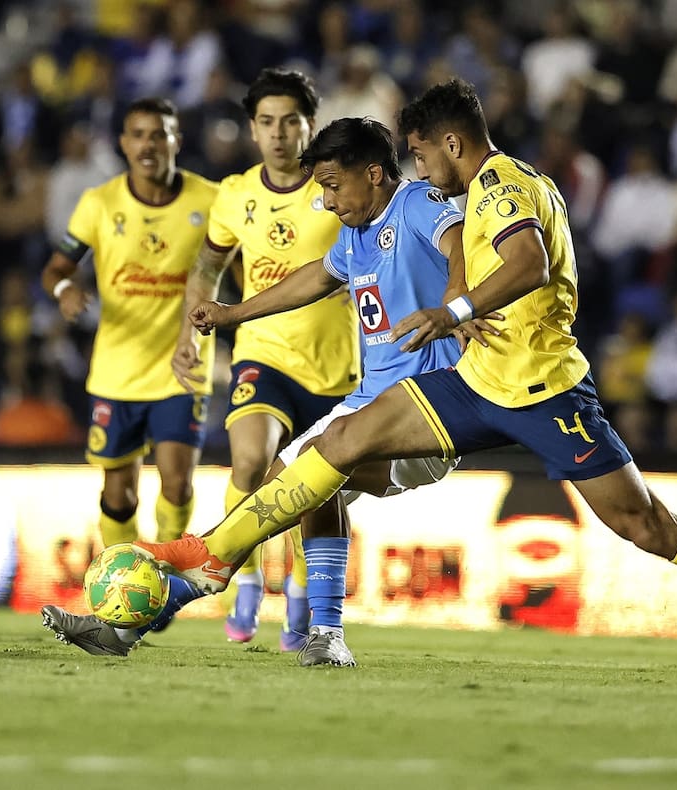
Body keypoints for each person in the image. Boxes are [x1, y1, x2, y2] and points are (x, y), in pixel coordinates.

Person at [128, 78, 677, 684]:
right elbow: (449, 257)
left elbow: (528, 261)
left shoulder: (498, 184)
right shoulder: (485, 189)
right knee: (344, 437)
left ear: (450, 143)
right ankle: (216, 556)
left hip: (543, 390)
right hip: (475, 381)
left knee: (646, 526)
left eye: (418, 153)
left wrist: (457, 308)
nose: (417, 167)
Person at [41, 116, 495, 663]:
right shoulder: (355, 236)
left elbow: (461, 243)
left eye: (332, 185)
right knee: (295, 488)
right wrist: (234, 312)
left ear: (374, 173)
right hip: (368, 405)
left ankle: (213, 572)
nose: (325, 202)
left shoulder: (417, 203)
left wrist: (457, 303)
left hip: (425, 408)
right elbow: (312, 278)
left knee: (298, 476)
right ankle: (284, 628)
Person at [171, 67, 360, 651]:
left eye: (291, 122)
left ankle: (302, 605)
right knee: (249, 461)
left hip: (335, 366)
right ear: (253, 130)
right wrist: (188, 334)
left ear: (311, 126)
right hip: (262, 356)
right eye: (267, 122)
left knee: (311, 492)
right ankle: (243, 579)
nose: (279, 134)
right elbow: (207, 267)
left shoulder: (335, 191)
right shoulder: (235, 196)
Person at [37, 97, 217, 557]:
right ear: (123, 143)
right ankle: (121, 571)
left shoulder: (210, 200)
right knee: (120, 494)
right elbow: (55, 270)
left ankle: (162, 573)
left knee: (177, 483)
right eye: (138, 135)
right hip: (117, 369)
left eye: (159, 134)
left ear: (176, 140)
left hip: (182, 364)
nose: (148, 144)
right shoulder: (99, 204)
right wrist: (65, 292)